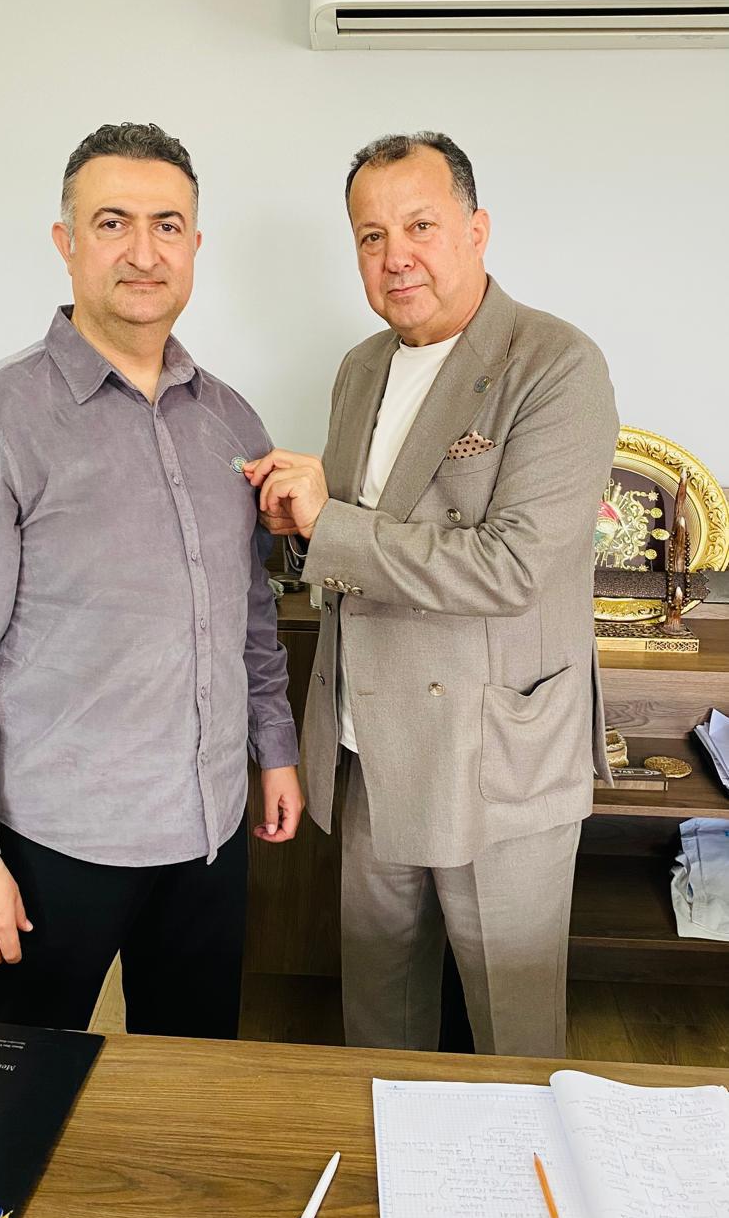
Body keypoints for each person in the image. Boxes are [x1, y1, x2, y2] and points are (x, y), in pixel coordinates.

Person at [0, 120, 302, 1038]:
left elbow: (250, 613)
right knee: (14, 1094)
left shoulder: (233, 420)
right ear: (66, 242)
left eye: (167, 225)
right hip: (54, 846)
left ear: (194, 246)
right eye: (113, 222)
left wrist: (274, 746)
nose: (143, 252)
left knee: (189, 1085)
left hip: (209, 834)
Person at [245, 131, 618, 1058]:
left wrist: (330, 523)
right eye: (370, 236)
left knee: (514, 1030)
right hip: (366, 744)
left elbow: (510, 567)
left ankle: (518, 1159)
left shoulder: (556, 363)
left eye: (420, 225)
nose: (395, 256)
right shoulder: (359, 367)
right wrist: (295, 523)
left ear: (476, 229)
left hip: (493, 754)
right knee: (379, 1019)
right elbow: (348, 543)